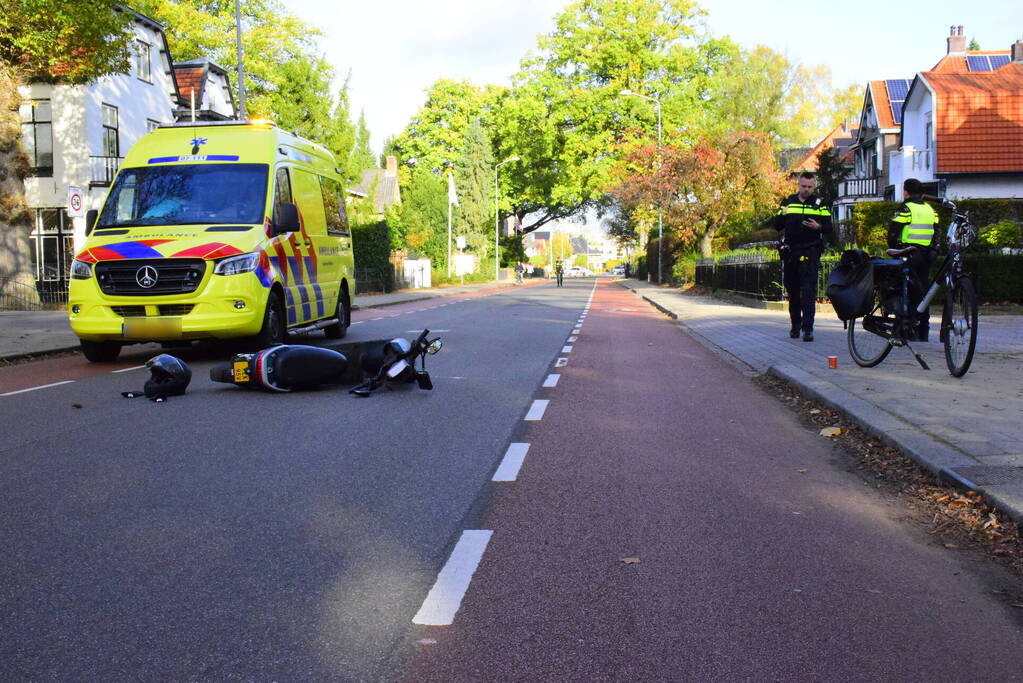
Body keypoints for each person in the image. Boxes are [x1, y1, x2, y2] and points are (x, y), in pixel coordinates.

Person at [774, 172, 833, 341]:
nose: (806, 189)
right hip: (791, 252)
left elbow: (829, 228)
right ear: (798, 185)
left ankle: (808, 329)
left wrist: (818, 227)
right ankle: (795, 326)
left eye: (810, 187)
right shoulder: (788, 202)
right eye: (804, 186)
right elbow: (777, 225)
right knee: (793, 291)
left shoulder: (820, 204)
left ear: (814, 187)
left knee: (808, 291)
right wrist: (782, 214)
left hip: (811, 250)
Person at [888, 178, 939, 341]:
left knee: (902, 288)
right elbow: (936, 232)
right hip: (927, 255)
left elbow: (893, 231)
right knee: (923, 291)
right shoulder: (930, 209)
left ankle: (903, 326)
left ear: (906, 192)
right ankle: (923, 329)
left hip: (909, 253)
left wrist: (894, 248)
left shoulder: (906, 208)